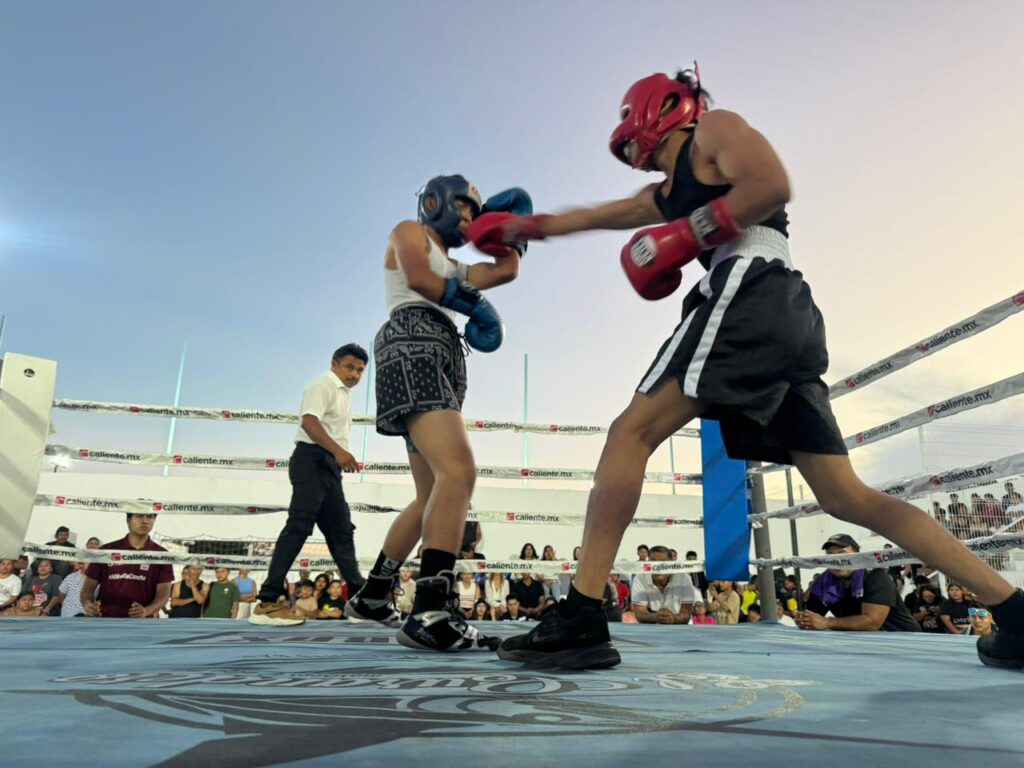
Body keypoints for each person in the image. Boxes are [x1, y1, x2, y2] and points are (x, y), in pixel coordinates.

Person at [472, 66, 1024, 670]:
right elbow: (596, 215)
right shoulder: (665, 193)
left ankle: (579, 615)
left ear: (660, 108)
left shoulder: (713, 130)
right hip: (780, 312)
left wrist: (684, 238)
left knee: (630, 432)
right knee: (846, 496)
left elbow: (770, 183)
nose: (631, 144)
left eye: (630, 125)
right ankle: (1019, 613)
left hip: (749, 285)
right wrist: (523, 229)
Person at [343, 176, 525, 654]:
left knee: (431, 496)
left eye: (474, 212)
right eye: (462, 206)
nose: (467, 217)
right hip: (413, 340)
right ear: (434, 202)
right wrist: (475, 303)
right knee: (459, 471)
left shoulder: (455, 265)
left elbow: (504, 273)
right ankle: (430, 612)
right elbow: (421, 279)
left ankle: (373, 595)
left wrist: (514, 234)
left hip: (441, 348)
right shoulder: (410, 231)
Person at [249, 344, 369, 626]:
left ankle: (362, 601)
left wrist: (335, 456)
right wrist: (339, 451)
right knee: (299, 526)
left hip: (328, 466)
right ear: (334, 364)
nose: (354, 374)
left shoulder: (343, 394)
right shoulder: (322, 385)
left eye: (360, 370)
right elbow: (309, 422)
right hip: (312, 459)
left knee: (341, 530)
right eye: (350, 367)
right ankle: (268, 602)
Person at [797, 535, 920, 632]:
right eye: (830, 556)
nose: (836, 561)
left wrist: (827, 622)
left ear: (858, 556)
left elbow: (872, 622)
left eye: (842, 554)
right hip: (863, 643)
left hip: (905, 639)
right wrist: (803, 619)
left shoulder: (876, 575)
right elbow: (811, 617)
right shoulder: (823, 582)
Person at [81, 513, 174, 618]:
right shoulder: (106, 550)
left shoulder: (162, 555)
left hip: (143, 623)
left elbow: (163, 594)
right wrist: (87, 604)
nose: (145, 521)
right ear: (128, 520)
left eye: (150, 516)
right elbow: (87, 590)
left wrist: (146, 611)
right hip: (106, 620)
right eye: (139, 515)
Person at [630, 545, 697, 624]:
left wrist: (673, 618)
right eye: (654, 562)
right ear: (648, 562)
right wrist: (656, 617)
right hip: (650, 623)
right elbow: (639, 613)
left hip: (678, 623)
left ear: (671, 564)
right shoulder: (640, 578)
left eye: (663, 563)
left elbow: (686, 614)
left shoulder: (684, 578)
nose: (659, 567)